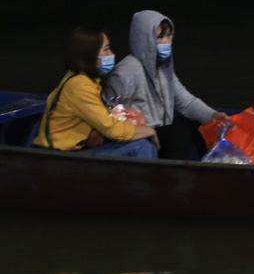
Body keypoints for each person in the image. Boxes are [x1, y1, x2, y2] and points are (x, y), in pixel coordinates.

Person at [101, 11, 229, 161]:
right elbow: (115, 115)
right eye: (160, 37)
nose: (166, 41)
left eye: (169, 36)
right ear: (144, 40)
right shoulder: (125, 72)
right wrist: (142, 128)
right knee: (180, 131)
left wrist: (212, 116)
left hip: (163, 132)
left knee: (197, 126)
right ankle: (175, 177)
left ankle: (211, 168)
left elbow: (186, 102)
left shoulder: (163, 68)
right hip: (142, 136)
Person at [33, 26, 159, 158]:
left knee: (137, 139)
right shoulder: (80, 86)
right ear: (90, 54)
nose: (111, 54)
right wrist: (150, 131)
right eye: (106, 49)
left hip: (69, 152)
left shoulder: (81, 79)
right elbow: (113, 130)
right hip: (55, 158)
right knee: (141, 146)